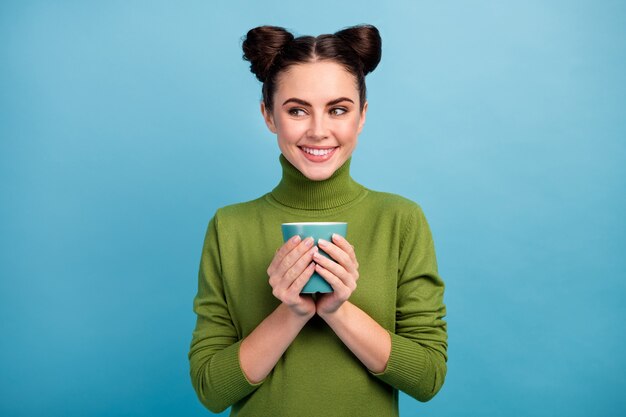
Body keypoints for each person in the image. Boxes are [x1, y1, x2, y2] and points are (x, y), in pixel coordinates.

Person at [188, 24, 447, 417]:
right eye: (297, 110)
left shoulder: (400, 220)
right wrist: (290, 313)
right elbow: (210, 389)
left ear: (361, 116)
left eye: (338, 109)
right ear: (269, 116)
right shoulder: (229, 227)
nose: (318, 131)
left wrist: (337, 310)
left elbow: (427, 378)